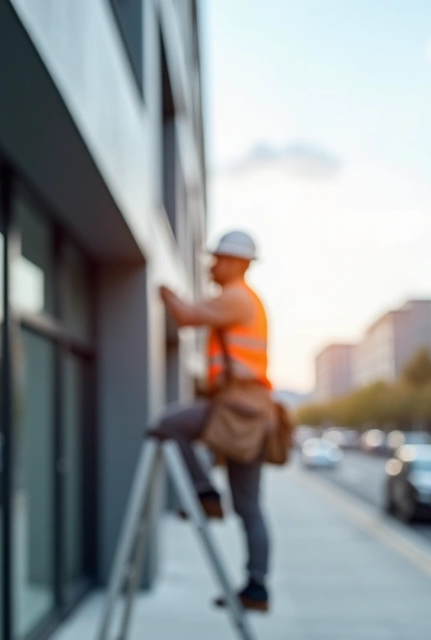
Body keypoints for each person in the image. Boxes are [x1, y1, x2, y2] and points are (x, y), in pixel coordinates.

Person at [155, 230, 272, 613]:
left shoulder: (236, 298)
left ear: (237, 263)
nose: (211, 265)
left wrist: (163, 290)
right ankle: (256, 588)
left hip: (238, 407)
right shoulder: (242, 299)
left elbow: (186, 315)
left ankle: (206, 495)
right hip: (248, 408)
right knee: (249, 506)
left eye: (218, 259)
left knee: (169, 424)